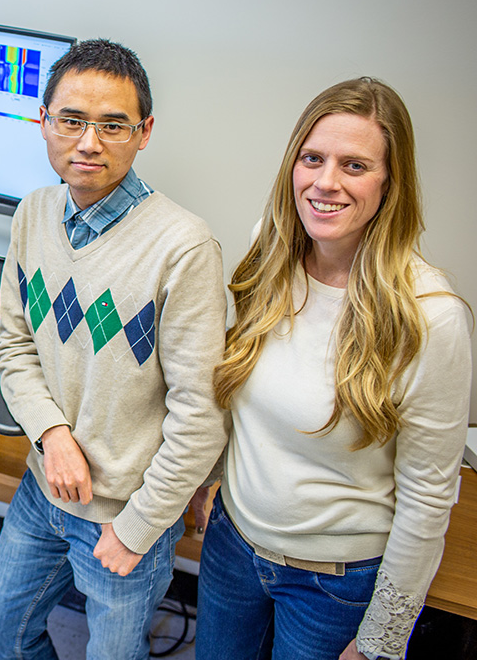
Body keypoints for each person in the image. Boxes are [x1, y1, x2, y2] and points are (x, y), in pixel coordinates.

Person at [194, 78, 471, 660]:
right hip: (233, 546)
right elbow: (239, 389)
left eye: (355, 165)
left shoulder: (429, 317)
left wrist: (379, 641)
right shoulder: (270, 257)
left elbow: (428, 496)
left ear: (391, 182)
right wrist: (211, 476)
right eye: (312, 158)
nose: (326, 183)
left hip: (334, 584)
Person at [0, 39, 229, 660]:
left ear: (143, 133)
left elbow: (202, 417)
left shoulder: (183, 248)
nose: (89, 142)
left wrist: (139, 529)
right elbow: (14, 345)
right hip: (44, 489)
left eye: (113, 125)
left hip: (126, 514)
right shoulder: (32, 213)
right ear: (44, 124)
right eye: (72, 121)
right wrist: (52, 437)